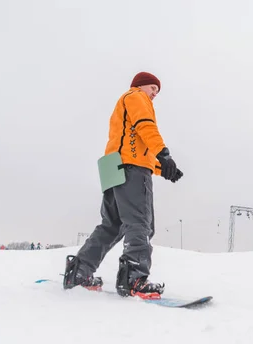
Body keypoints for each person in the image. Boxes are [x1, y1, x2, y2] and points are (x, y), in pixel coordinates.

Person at [64, 71, 183, 299]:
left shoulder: (124, 102)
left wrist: (163, 168)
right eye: (153, 89)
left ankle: (79, 272)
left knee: (112, 225)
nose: (154, 94)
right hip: (131, 171)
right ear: (141, 85)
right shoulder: (137, 96)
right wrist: (164, 154)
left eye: (156, 92)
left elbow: (133, 148)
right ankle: (134, 278)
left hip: (114, 169)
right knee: (140, 223)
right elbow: (145, 126)